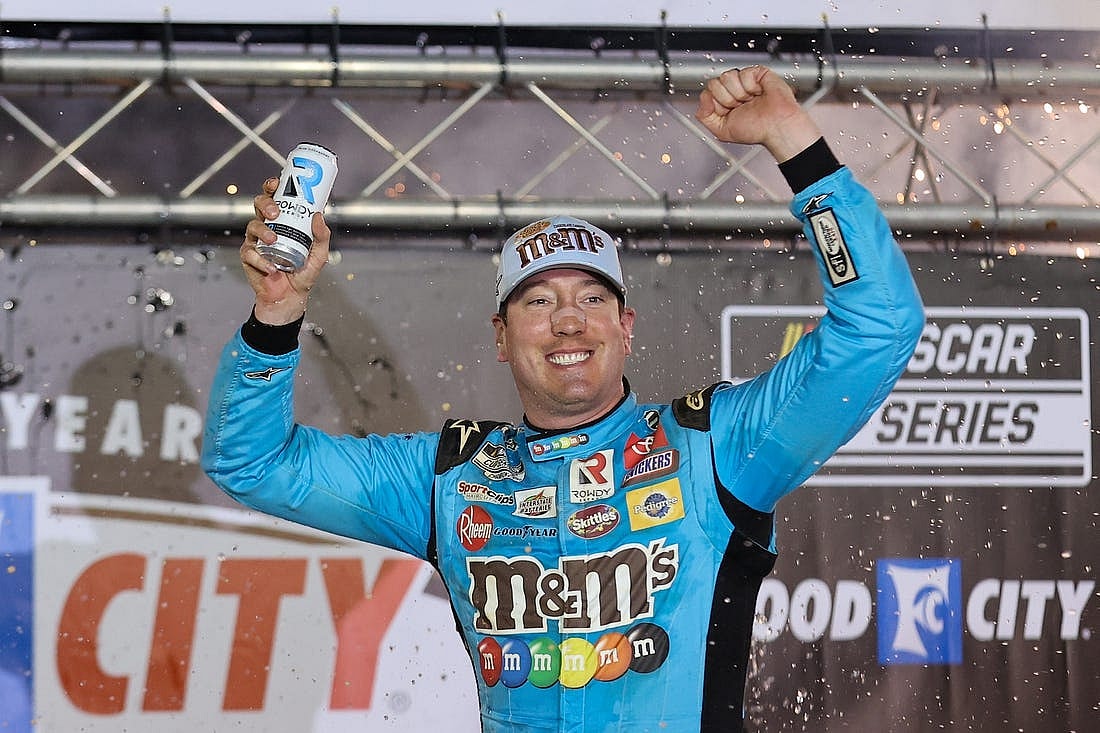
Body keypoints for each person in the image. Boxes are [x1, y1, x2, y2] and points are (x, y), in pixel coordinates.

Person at [202, 65, 924, 733]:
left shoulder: (714, 447)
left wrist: (795, 144)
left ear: (626, 327)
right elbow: (253, 462)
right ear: (501, 335)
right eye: (539, 300)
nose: (569, 320)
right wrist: (278, 309)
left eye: (591, 297)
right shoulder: (450, 480)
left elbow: (879, 327)